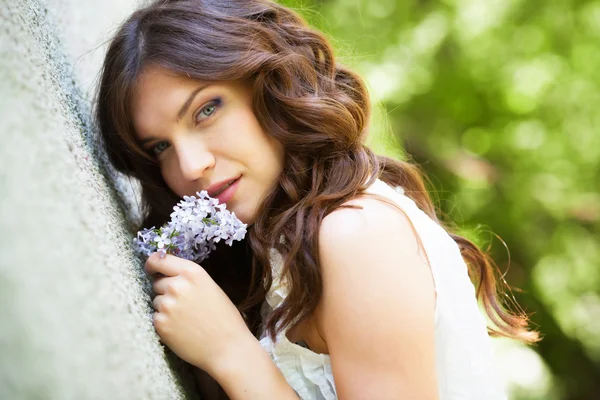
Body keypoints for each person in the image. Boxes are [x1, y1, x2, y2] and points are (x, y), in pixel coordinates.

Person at [94, 0, 540, 398]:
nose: (189, 167)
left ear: (270, 87)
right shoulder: (270, 257)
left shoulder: (359, 232)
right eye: (160, 147)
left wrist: (231, 352)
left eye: (207, 109)